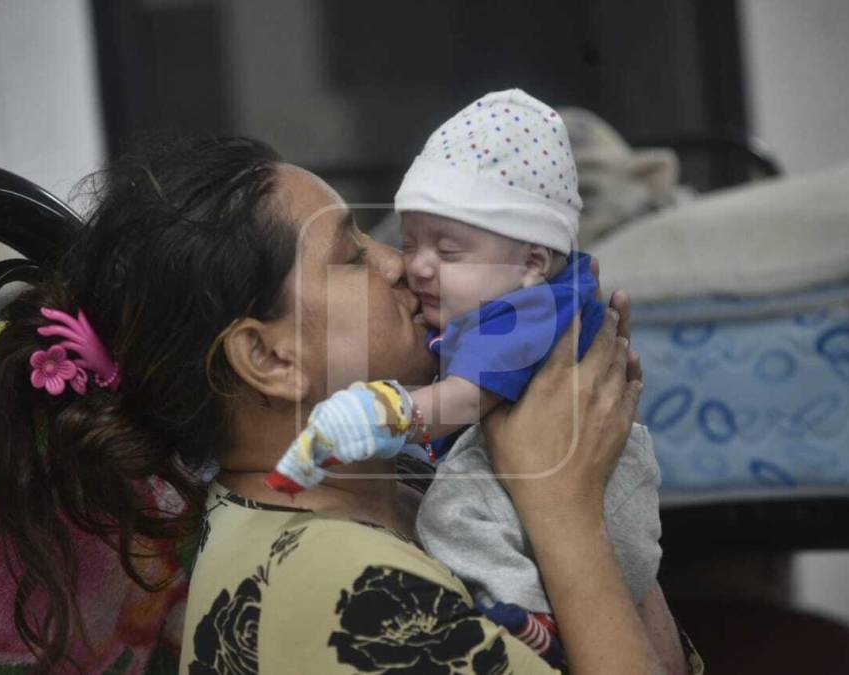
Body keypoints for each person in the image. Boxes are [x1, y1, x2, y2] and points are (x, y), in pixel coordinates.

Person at [0, 135, 699, 673]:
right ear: (269, 358)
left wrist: (595, 476)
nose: (399, 265)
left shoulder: (409, 479)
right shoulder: (345, 588)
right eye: (352, 255)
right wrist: (567, 511)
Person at [263, 90, 662, 665]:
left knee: (453, 514)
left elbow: (458, 404)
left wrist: (386, 417)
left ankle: (531, 620)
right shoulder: (524, 297)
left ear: (531, 263)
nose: (410, 265)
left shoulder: (523, 317)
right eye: (409, 242)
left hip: (604, 498)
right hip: (595, 498)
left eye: (447, 251)